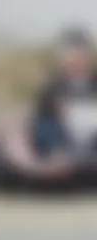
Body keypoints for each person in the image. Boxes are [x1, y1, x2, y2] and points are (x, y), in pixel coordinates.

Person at [30, 28, 97, 158]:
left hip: (91, 134)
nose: (77, 59)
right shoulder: (52, 84)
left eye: (81, 53)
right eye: (71, 55)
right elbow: (43, 112)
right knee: (46, 128)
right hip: (60, 135)